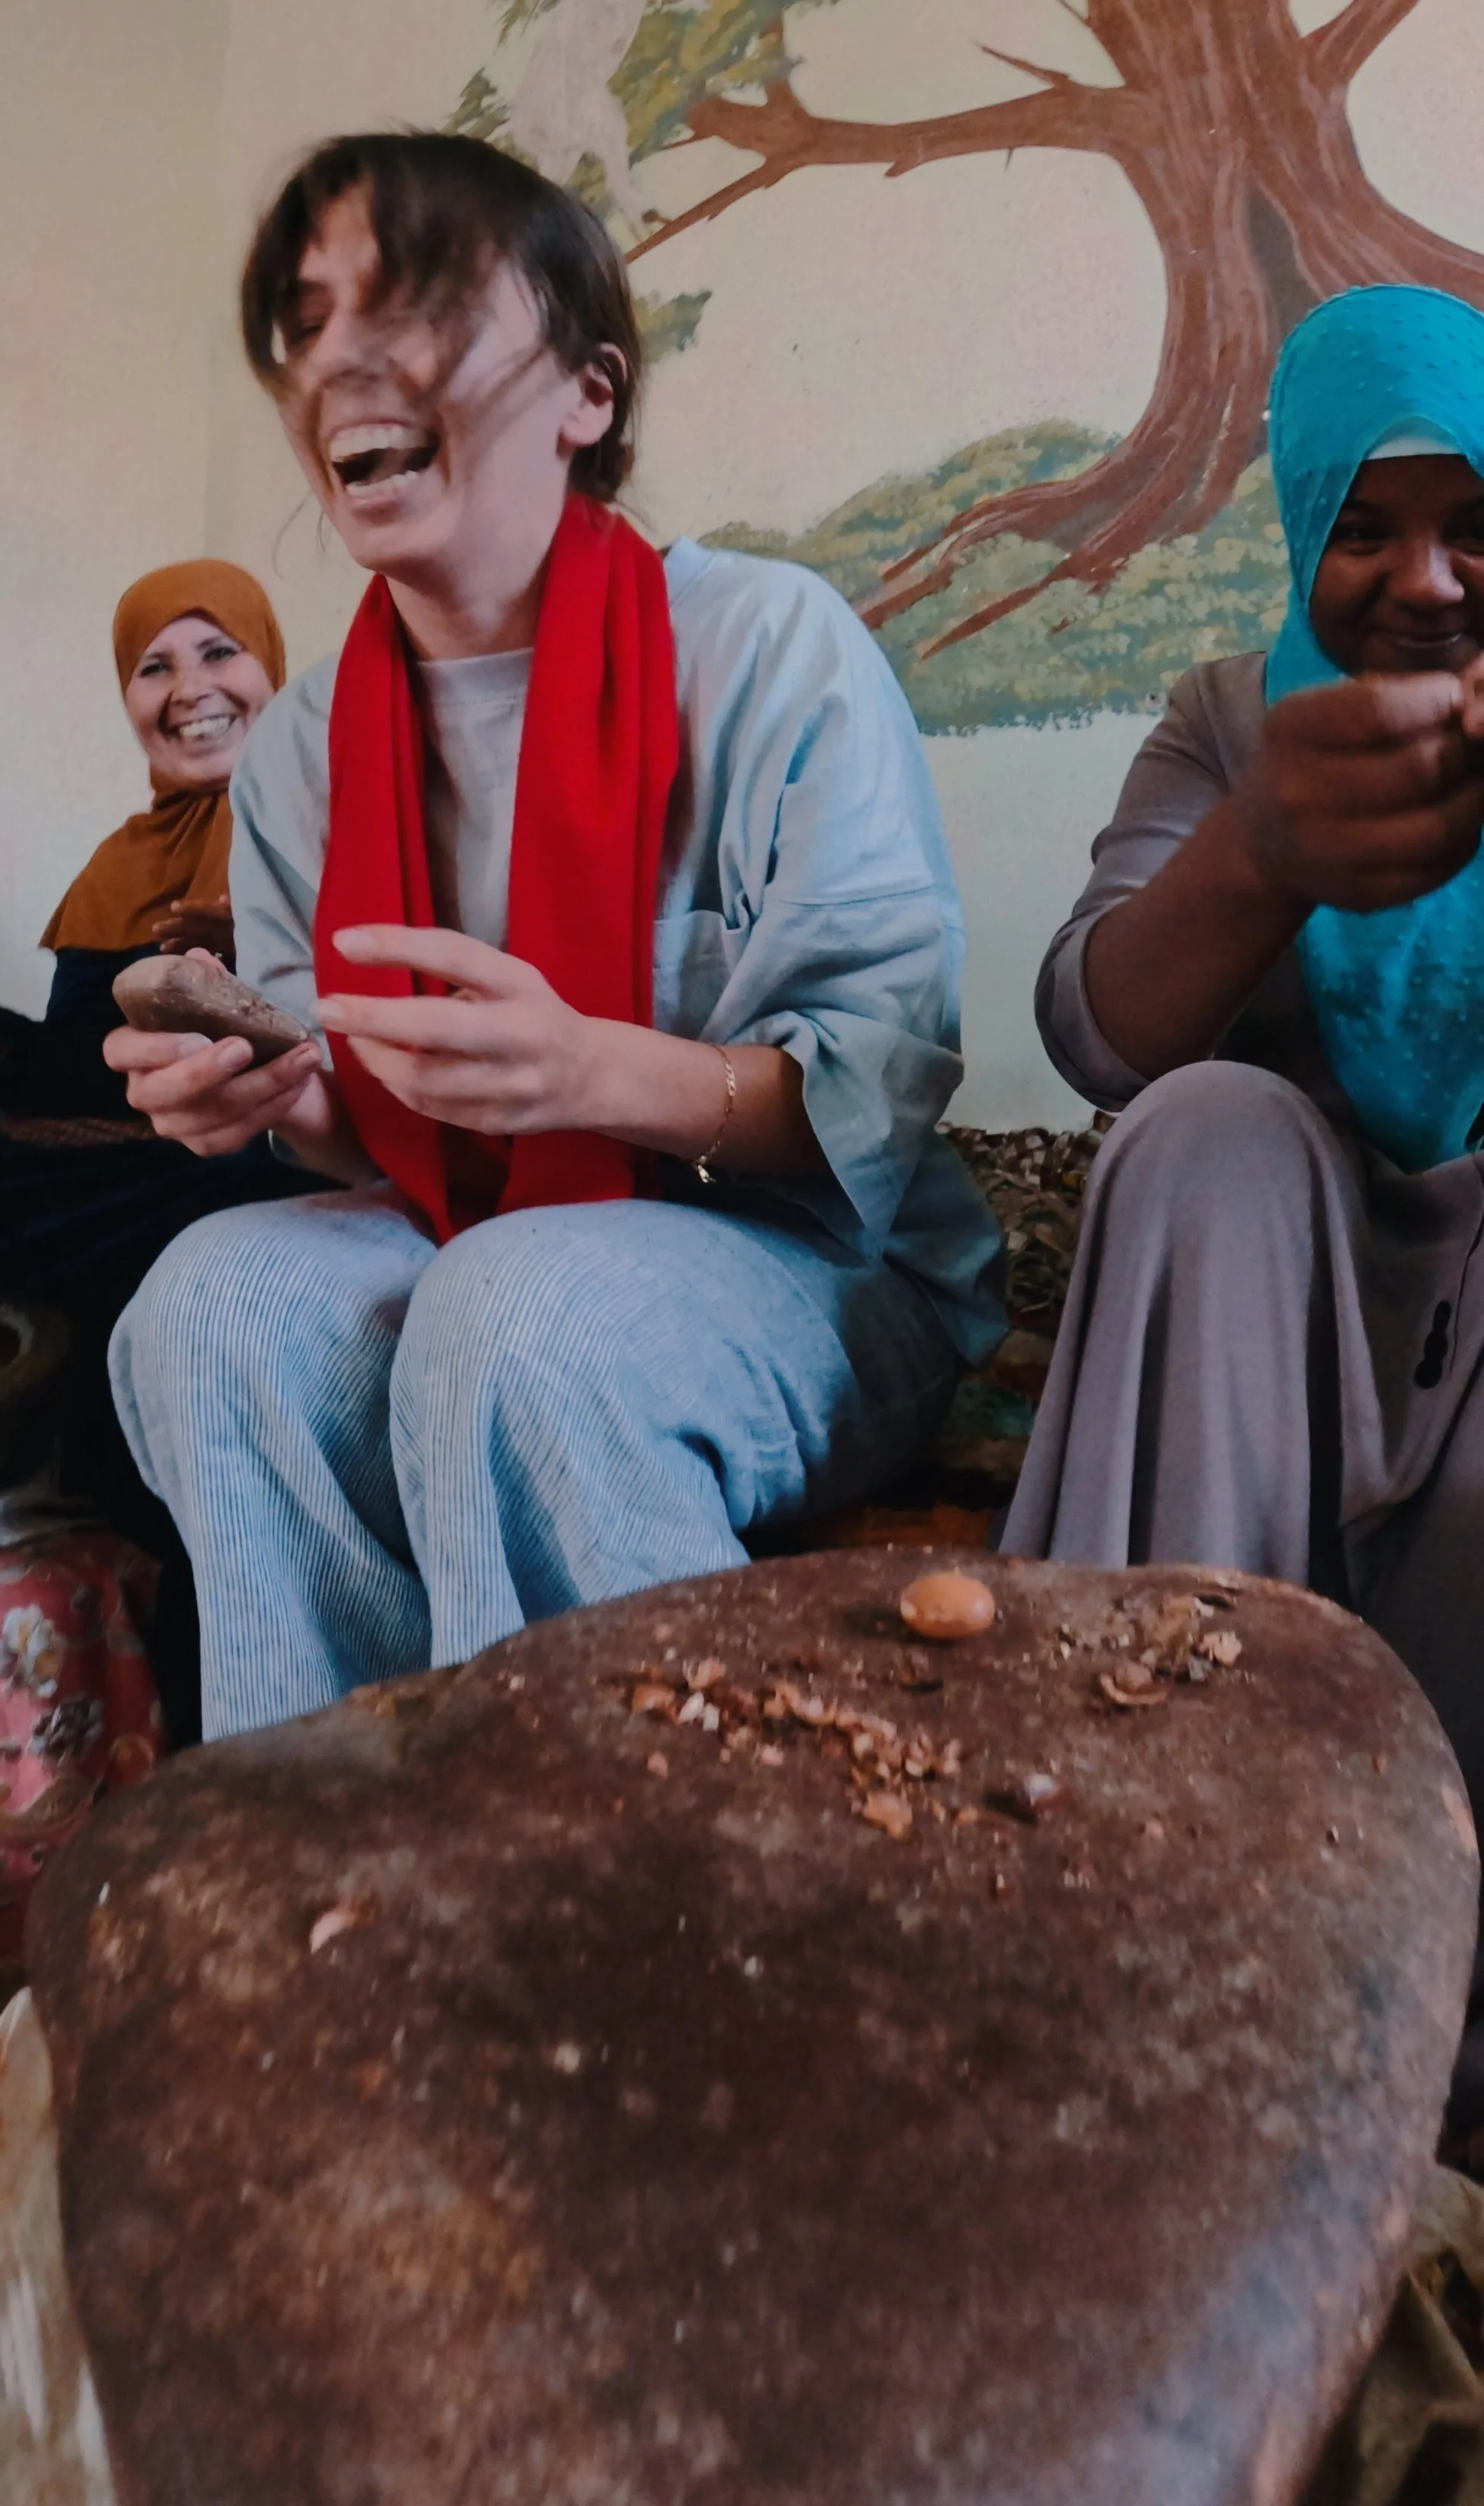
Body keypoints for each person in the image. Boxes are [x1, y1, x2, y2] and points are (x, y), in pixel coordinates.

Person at [103, 132, 1004, 1743]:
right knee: (204, 1299)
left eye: (417, 296)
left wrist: (597, 1071)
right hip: (462, 1228)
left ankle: (614, 1888)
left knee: (517, 1314)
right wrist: (264, 1090)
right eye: (307, 320)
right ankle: (338, 1850)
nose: (342, 357)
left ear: (586, 393)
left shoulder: (763, 647)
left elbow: (873, 1091)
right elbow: (358, 1118)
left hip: (809, 1257)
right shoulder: (303, 739)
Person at [1004, 283, 1484, 1811]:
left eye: (1474, 522)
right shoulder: (1223, 720)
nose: (1423, 581)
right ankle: (1157, 1845)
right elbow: (1092, 1025)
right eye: (1360, 529)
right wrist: (1256, 849)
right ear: (1295, 532)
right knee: (1206, 1125)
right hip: (1264, 1310)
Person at [0, 562, 318, 1739]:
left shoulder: (338, 817)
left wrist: (248, 972)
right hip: (137, 1170)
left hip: (272, 1159)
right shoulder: (123, 863)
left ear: (275, 668)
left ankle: (204, 1639)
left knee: (200, 1200)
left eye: (219, 651)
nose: (190, 688)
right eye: (153, 666)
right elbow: (76, 1072)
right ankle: (100, 1558)